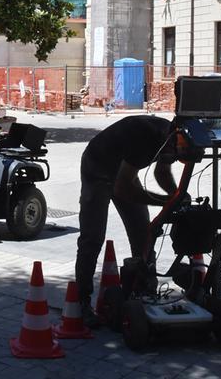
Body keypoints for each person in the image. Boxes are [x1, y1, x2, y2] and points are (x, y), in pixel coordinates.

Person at [74, 114, 179, 326]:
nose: (176, 157)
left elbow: (162, 172)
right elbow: (123, 190)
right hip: (97, 167)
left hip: (123, 170)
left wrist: (177, 195)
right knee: (92, 237)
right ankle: (82, 303)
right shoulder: (146, 138)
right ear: (171, 141)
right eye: (176, 154)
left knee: (143, 231)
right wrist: (166, 202)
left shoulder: (173, 139)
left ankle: (145, 291)